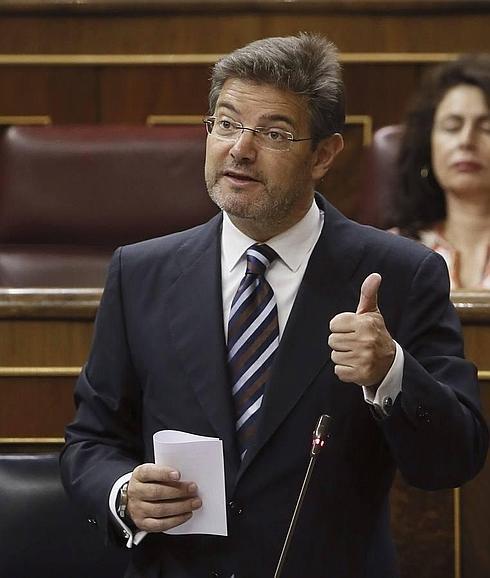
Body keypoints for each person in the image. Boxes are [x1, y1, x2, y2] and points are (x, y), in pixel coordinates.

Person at [60, 33, 488, 578]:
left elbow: (453, 460)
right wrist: (123, 494)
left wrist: (392, 373)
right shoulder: (141, 272)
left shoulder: (403, 273)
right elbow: (90, 441)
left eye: (273, 133)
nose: (240, 148)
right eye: (227, 123)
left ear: (324, 155)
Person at [389, 54, 490, 289]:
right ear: (427, 145)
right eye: (452, 127)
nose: (466, 141)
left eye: (486, 127)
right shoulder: (391, 251)